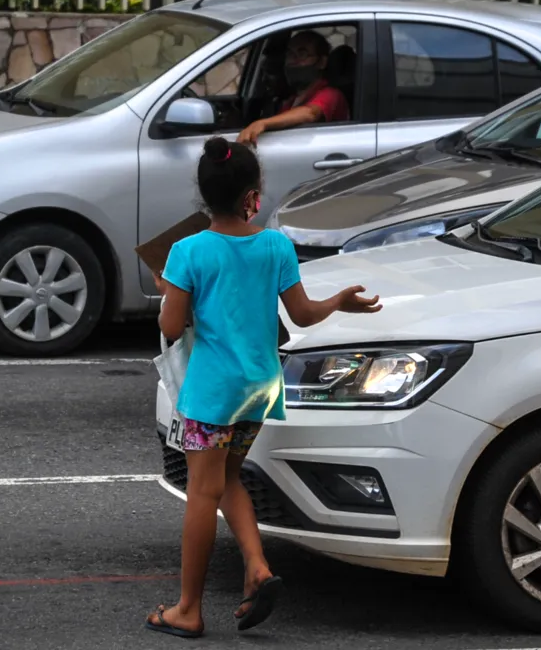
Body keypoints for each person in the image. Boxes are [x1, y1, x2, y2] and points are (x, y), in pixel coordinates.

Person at [145, 137, 382, 638]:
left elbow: (171, 326)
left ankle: (188, 608)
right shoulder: (275, 245)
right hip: (259, 386)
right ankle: (257, 567)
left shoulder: (187, 251)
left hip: (212, 391)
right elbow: (301, 315)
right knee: (229, 478)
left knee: (201, 491)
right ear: (253, 195)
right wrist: (339, 300)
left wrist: (171, 289)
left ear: (204, 196)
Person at [236, 31, 350, 147]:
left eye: (302, 54)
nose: (292, 61)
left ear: (321, 62)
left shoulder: (331, 94)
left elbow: (310, 113)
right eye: (290, 54)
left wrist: (262, 124)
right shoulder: (292, 99)